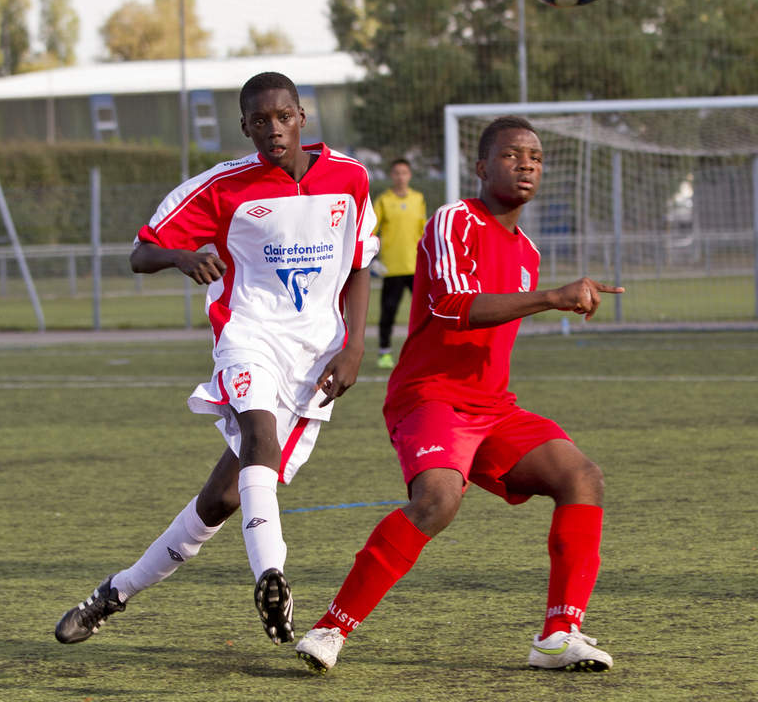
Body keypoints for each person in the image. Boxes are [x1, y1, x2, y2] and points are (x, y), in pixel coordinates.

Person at [54, 72, 378, 647]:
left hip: (315, 356)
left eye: (283, 117)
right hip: (248, 334)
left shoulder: (350, 178)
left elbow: (359, 265)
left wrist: (354, 347)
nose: (273, 130)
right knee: (259, 433)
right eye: (260, 121)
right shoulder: (222, 187)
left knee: (221, 500)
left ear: (302, 116)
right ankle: (272, 577)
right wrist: (181, 258)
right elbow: (139, 253)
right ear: (245, 126)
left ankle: (115, 593)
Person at [294, 115, 624, 673]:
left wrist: (550, 294)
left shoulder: (528, 252)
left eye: (536, 158)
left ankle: (559, 634)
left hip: (493, 407)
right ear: (481, 166)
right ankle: (332, 628)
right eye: (512, 154)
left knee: (582, 476)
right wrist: (552, 298)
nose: (526, 164)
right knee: (439, 499)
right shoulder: (455, 219)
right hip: (429, 398)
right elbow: (452, 304)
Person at [371, 158, 427, 369]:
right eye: (396, 173)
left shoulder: (418, 198)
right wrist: (373, 257)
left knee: (423, 313)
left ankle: (423, 350)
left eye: (404, 173)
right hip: (392, 267)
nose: (400, 177)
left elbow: (423, 231)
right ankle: (384, 352)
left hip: (416, 267)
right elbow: (372, 229)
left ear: (409, 175)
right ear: (391, 176)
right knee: (389, 311)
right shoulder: (384, 200)